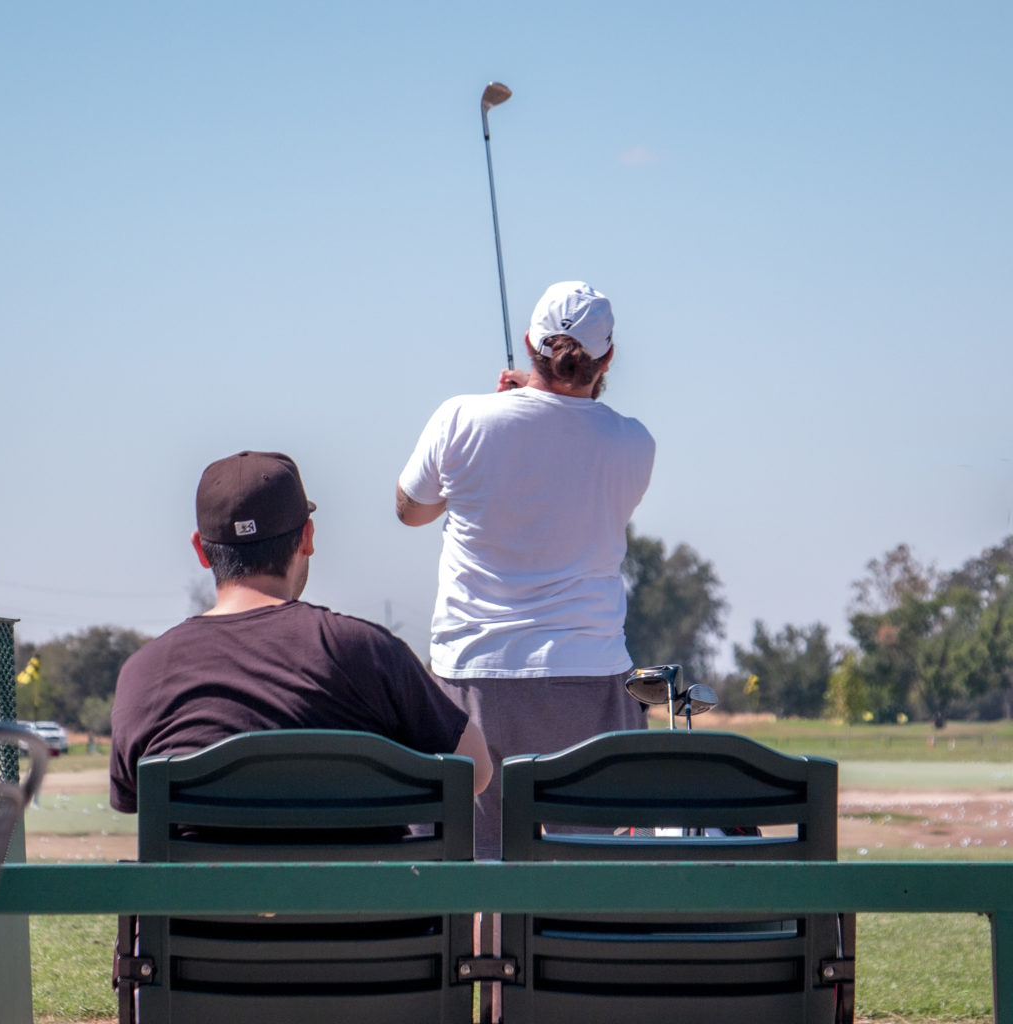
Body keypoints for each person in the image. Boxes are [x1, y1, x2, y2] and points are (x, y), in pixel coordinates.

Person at [396, 281, 655, 858]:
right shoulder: (635, 444)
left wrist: (497, 419)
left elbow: (409, 509)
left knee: (478, 875)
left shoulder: (461, 418)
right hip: (593, 683)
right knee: (579, 876)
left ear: (529, 344)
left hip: (474, 680)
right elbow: (563, 451)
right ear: (608, 357)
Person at [110, 449, 491, 814]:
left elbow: (132, 800)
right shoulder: (367, 652)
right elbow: (474, 770)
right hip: (349, 883)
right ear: (307, 537)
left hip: (202, 883)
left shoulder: (144, 673)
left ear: (201, 549)